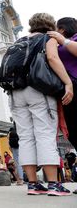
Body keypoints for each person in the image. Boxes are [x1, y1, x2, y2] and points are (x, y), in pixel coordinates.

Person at [9, 13, 73, 196]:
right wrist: (67, 83)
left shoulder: (18, 42)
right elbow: (52, 58)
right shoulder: (48, 37)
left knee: (26, 137)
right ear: (50, 25)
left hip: (15, 93)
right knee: (44, 134)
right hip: (38, 91)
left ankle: (33, 184)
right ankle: (53, 183)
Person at [47, 18, 77, 150]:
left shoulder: (72, 39)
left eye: (56, 28)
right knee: (71, 128)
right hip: (66, 90)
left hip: (73, 84)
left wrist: (63, 40)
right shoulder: (55, 44)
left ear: (62, 29)